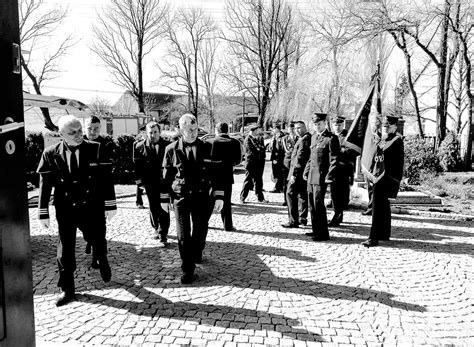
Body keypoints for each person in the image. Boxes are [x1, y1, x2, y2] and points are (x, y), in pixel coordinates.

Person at [37, 115, 117, 306]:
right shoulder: (51, 153)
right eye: (73, 132)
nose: (79, 135)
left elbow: (106, 178)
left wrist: (111, 204)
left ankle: (102, 257)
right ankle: (68, 289)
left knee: (97, 237)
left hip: (92, 206)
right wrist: (43, 211)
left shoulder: (95, 149)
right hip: (66, 208)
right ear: (61, 134)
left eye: (80, 130)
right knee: (65, 249)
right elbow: (45, 183)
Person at [161, 113, 224, 284]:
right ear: (180, 129)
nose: (192, 132)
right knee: (183, 235)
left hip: (203, 197)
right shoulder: (171, 149)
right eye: (188, 129)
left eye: (195, 129)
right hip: (181, 198)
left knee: (200, 231)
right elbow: (166, 177)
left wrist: (219, 196)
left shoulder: (208, 147)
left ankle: (197, 251)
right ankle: (187, 269)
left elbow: (218, 174)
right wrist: (164, 199)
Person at [362, 114, 404, 247]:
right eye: (384, 125)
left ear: (394, 127)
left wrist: (394, 182)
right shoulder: (378, 138)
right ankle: (384, 234)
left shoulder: (396, 140)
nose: (385, 128)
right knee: (383, 207)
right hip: (376, 178)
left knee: (377, 207)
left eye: (388, 126)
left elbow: (399, 164)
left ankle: (373, 237)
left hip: (386, 179)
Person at [83, 115, 116, 267]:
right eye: (90, 128)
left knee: (100, 226)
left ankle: (98, 256)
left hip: (99, 193)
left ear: (100, 128)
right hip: (82, 193)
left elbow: (108, 174)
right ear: (85, 127)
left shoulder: (106, 144)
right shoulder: (78, 142)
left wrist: (110, 202)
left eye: (96, 128)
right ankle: (89, 240)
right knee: (86, 226)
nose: (93, 131)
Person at [303, 113, 340, 241]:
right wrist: (306, 171)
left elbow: (334, 159)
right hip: (311, 175)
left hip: (321, 176)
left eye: (319, 124)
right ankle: (315, 230)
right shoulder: (314, 137)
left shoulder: (331, 138)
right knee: (312, 204)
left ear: (325, 123)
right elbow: (310, 157)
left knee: (318, 204)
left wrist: (330, 175)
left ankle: (323, 233)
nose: (317, 127)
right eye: (315, 124)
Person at [133, 121, 170, 244]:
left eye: (155, 132)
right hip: (150, 182)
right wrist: (139, 183)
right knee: (153, 206)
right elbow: (136, 167)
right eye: (150, 133)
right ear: (146, 133)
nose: (153, 135)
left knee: (164, 207)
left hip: (164, 183)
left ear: (159, 132)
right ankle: (155, 228)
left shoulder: (168, 146)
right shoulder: (139, 146)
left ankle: (163, 232)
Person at [206, 122, 242, 231]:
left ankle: (204, 222)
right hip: (226, 176)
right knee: (226, 202)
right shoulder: (235, 142)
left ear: (216, 131)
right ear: (228, 131)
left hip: (211, 176)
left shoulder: (209, 142)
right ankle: (227, 225)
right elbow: (237, 161)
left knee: (209, 201)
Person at [329, 116, 357, 226]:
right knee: (334, 193)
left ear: (343, 125)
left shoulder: (347, 136)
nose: (337, 127)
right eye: (335, 125)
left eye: (339, 125)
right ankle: (337, 214)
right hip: (332, 169)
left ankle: (338, 216)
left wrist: (339, 152)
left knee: (341, 194)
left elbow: (352, 151)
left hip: (343, 169)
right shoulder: (331, 136)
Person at [282, 121, 311, 228]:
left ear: (304, 128)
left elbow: (300, 159)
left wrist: (294, 174)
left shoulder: (304, 140)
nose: (297, 130)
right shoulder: (305, 138)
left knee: (290, 194)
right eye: (296, 128)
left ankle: (293, 221)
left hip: (298, 173)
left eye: (299, 128)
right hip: (302, 173)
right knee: (302, 195)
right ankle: (302, 219)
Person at [240, 124, 268, 203]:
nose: (258, 132)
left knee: (258, 181)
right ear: (254, 131)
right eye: (257, 130)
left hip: (258, 163)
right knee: (248, 181)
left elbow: (261, 149)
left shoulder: (256, 139)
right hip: (251, 163)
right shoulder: (248, 139)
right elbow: (250, 152)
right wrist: (259, 150)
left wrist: (260, 151)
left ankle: (260, 198)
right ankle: (242, 197)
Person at [281, 122, 298, 206]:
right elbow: (285, 150)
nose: (291, 130)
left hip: (296, 163)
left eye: (292, 129)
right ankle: (286, 199)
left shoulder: (299, 138)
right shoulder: (284, 139)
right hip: (287, 162)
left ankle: (296, 198)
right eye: (289, 129)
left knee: (296, 182)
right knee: (286, 182)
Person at [269, 123, 285, 193]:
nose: (273, 130)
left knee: (278, 173)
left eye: (273, 129)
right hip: (274, 157)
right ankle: (279, 186)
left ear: (276, 129)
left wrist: (276, 158)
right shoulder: (274, 136)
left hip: (278, 158)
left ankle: (278, 187)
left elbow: (280, 148)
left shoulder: (282, 136)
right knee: (275, 172)